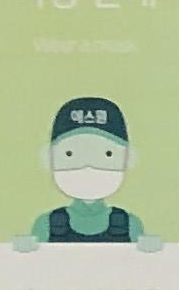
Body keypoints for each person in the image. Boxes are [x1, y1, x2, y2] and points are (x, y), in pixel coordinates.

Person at [17, 92, 161, 247]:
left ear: (127, 159)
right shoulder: (45, 224)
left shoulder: (131, 224)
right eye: (70, 154)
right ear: (49, 158)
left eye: (107, 154)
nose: (88, 167)